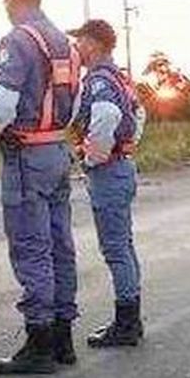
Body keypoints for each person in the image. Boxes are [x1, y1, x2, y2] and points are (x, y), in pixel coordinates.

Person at [0, 0, 81, 374]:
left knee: (31, 248)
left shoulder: (17, 40)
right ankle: (63, 337)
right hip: (56, 147)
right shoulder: (66, 44)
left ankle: (39, 342)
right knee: (60, 244)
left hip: (26, 155)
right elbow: (77, 99)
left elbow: (0, 103)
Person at [68, 19, 146, 347]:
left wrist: (91, 158)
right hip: (122, 166)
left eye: (81, 41)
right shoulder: (120, 77)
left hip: (109, 171)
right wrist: (127, 145)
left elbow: (106, 118)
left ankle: (126, 324)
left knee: (115, 248)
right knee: (124, 245)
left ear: (96, 43)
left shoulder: (99, 80)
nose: (77, 48)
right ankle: (130, 319)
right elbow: (140, 114)